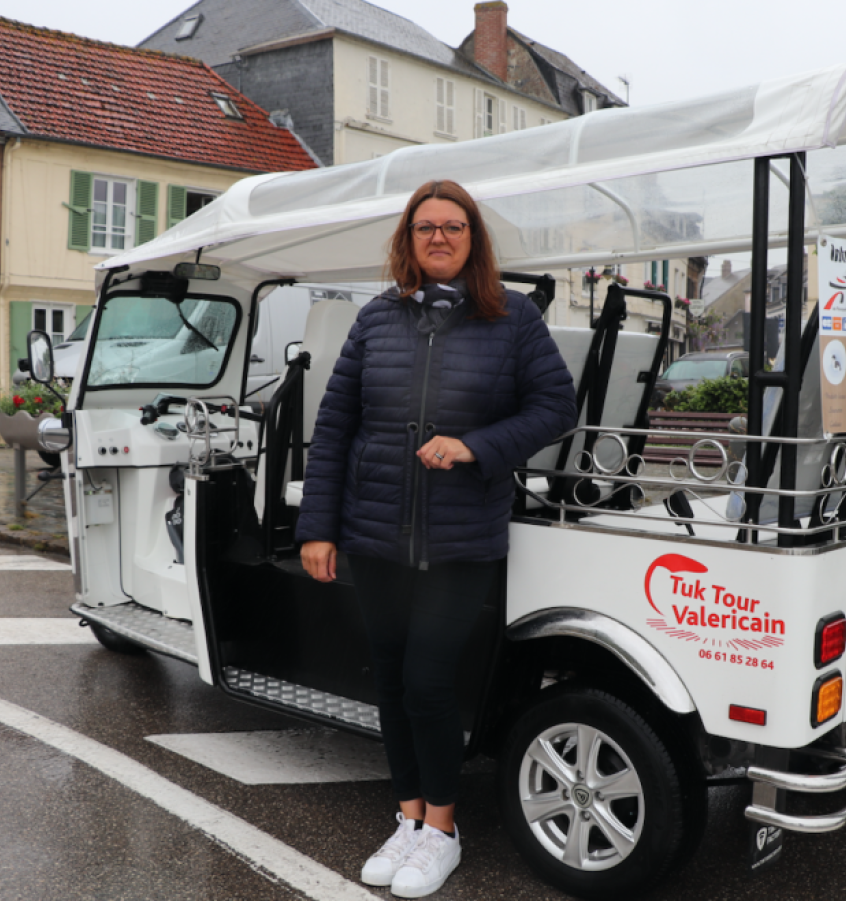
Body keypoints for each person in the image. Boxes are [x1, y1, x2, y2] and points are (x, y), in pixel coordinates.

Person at [295, 180, 577, 898]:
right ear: (408, 238)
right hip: (375, 533)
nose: (440, 237)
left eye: (454, 227)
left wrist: (477, 446)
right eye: (427, 227)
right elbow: (334, 430)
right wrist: (318, 527)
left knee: (427, 679)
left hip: (460, 540)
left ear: (473, 238)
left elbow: (556, 406)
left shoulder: (512, 316)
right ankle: (409, 817)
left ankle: (444, 831)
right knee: (390, 679)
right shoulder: (377, 318)